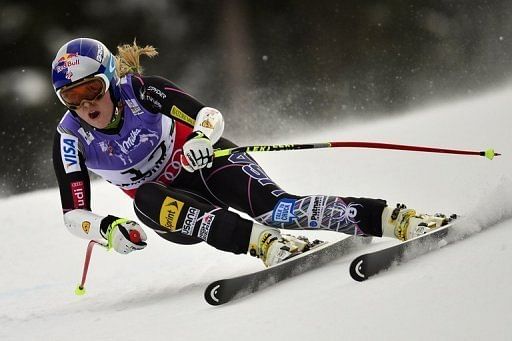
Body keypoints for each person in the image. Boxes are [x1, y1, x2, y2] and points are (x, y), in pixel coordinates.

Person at [52, 38, 448, 267]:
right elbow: (73, 216)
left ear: (110, 79)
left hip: (206, 164)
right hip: (175, 211)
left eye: (92, 90)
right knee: (146, 202)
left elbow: (208, 116)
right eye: (71, 96)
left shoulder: (140, 89)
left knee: (278, 209)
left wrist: (201, 141)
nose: (86, 105)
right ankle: (261, 243)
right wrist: (107, 230)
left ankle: (396, 219)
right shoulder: (70, 138)